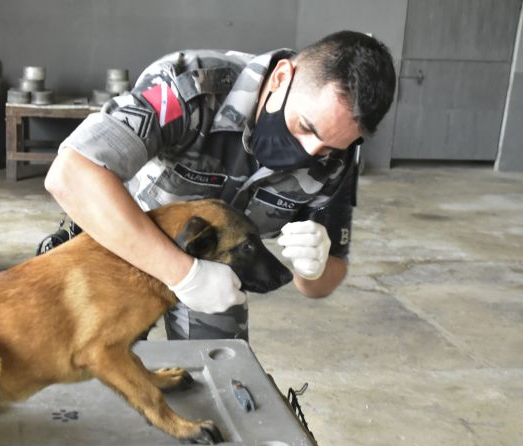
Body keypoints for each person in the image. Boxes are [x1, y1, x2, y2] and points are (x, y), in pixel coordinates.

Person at [43, 31, 396, 341]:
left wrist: (312, 269)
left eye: (331, 146)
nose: (309, 154)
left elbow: (323, 282)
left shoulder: (337, 161)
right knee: (80, 367)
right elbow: (71, 174)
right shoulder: (191, 85)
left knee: (218, 377)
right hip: (122, 241)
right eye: (305, 127)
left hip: (216, 275)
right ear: (281, 78)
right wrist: (183, 274)